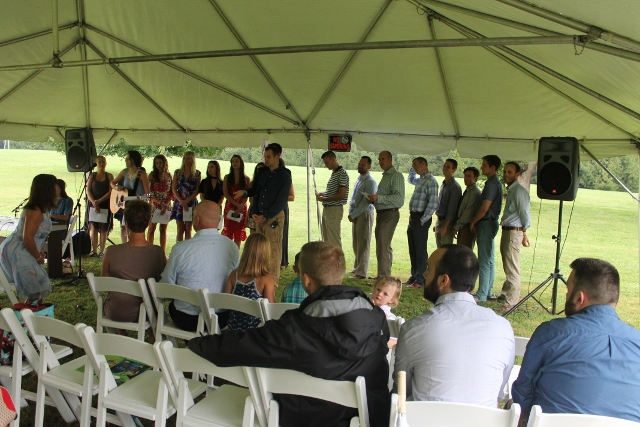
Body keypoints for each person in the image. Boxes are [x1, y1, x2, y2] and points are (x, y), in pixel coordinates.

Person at [188, 241, 391, 427]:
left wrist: (195, 343)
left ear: (306, 279)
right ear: (340, 274)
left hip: (304, 417)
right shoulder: (377, 320)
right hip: (365, 415)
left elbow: (241, 345)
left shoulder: (293, 329)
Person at [512, 258, 640, 423]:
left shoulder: (551, 333)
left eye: (568, 289)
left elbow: (523, 394)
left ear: (580, 298)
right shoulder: (636, 341)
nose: (566, 295)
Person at [393, 244, 515, 407]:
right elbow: (497, 392)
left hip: (425, 418)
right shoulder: (503, 328)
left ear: (443, 280)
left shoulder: (413, 329)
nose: (424, 274)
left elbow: (401, 391)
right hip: (483, 418)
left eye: (429, 268)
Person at [161, 201, 239, 332]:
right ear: (219, 220)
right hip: (221, 317)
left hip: (188, 318)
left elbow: (166, 286)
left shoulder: (181, 248)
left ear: (197, 219)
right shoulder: (231, 246)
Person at [101, 200, 166, 324]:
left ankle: (121, 332)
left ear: (126, 224)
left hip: (115, 310)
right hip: (147, 311)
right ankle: (151, 333)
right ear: (148, 223)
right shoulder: (158, 252)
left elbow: (105, 280)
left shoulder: (111, 251)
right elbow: (161, 281)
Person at [238, 143, 291, 284]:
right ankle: (258, 278)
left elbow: (281, 201)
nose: (266, 159)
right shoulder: (263, 174)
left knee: (273, 249)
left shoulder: (284, 175)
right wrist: (255, 212)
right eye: (265, 156)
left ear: (277, 156)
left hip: (274, 217)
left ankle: (272, 282)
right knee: (259, 248)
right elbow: (257, 193)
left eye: (269, 157)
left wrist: (266, 216)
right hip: (259, 216)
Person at [0, 174, 58, 303]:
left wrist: (39, 251)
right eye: (56, 185)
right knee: (37, 285)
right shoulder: (36, 211)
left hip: (25, 250)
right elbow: (27, 238)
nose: (58, 188)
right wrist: (38, 257)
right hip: (19, 251)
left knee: (37, 289)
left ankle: (31, 312)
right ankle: (28, 313)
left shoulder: (42, 209)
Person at [497, 162, 531, 310]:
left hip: (513, 232)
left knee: (512, 268)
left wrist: (523, 232)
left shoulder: (519, 191)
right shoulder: (512, 190)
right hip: (508, 230)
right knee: (507, 264)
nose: (506, 175)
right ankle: (505, 294)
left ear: (517, 175)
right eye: (505, 171)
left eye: (510, 172)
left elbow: (525, 215)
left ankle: (511, 302)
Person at [225, 233, 276, 331]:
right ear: (266, 254)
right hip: (256, 332)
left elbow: (226, 301)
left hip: (233, 330)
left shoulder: (234, 275)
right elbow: (271, 308)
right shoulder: (266, 278)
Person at [469, 155, 503, 302]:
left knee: (483, 260)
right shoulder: (495, 182)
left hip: (486, 223)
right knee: (489, 259)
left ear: (493, 167)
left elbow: (484, 208)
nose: (481, 167)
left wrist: (473, 221)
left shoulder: (491, 184)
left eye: (484, 165)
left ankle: (482, 294)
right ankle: (487, 291)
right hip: (492, 222)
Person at [368, 151, 405, 279]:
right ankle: (382, 275)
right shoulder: (386, 176)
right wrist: (374, 200)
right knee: (381, 245)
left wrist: (379, 198)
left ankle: (383, 277)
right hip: (382, 213)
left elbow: (399, 199)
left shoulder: (396, 175)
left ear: (390, 159)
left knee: (383, 246)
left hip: (390, 213)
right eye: (379, 159)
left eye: (383, 159)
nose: (381, 162)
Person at [404, 157, 439, 289]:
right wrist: (412, 170)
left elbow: (433, 203)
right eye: (412, 164)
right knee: (412, 248)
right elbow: (410, 179)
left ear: (424, 164)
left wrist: (423, 219)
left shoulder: (431, 181)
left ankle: (420, 279)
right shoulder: (420, 180)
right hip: (413, 217)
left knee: (420, 249)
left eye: (415, 164)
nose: (413, 167)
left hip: (421, 218)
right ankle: (414, 275)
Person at [111, 150, 151, 243]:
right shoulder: (124, 172)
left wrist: (142, 199)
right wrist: (116, 187)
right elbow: (112, 182)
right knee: (123, 226)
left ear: (133, 160)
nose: (126, 160)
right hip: (125, 204)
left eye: (128, 158)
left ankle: (134, 244)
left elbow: (148, 194)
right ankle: (124, 245)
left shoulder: (141, 174)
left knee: (135, 227)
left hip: (137, 205)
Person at [348, 156, 377, 280]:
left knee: (363, 243)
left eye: (363, 165)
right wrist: (351, 212)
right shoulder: (360, 179)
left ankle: (361, 272)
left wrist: (353, 214)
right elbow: (354, 197)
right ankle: (357, 267)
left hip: (364, 214)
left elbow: (366, 202)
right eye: (360, 164)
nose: (360, 166)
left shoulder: (370, 182)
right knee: (356, 242)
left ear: (369, 167)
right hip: (356, 213)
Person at [316, 150, 349, 249]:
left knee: (334, 240)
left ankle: (338, 259)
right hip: (328, 209)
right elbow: (333, 191)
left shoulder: (342, 174)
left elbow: (341, 195)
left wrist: (325, 198)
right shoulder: (335, 173)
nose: (326, 165)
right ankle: (329, 258)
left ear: (333, 159)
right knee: (326, 239)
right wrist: (324, 193)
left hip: (334, 209)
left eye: (327, 162)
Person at [86, 155, 114, 257]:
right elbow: (88, 190)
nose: (101, 164)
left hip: (105, 204)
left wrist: (99, 201)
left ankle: (102, 251)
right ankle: (94, 251)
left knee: (103, 228)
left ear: (106, 163)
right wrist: (94, 202)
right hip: (93, 204)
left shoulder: (109, 176)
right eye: (99, 162)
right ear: (96, 164)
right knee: (93, 228)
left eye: (103, 162)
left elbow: (111, 191)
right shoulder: (92, 175)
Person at [170, 151, 201, 242]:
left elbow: (197, 190)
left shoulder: (197, 173)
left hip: (190, 203)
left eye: (188, 159)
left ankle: (187, 248)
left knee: (188, 229)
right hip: (179, 203)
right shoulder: (178, 172)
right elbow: (174, 189)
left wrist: (186, 201)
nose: (186, 161)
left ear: (192, 160)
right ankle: (179, 247)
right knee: (180, 228)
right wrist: (181, 201)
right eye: (184, 158)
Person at [222, 154, 250, 248]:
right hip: (230, 206)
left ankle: (236, 253)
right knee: (228, 231)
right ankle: (228, 253)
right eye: (233, 161)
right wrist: (236, 204)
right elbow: (226, 194)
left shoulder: (246, 179)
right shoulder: (227, 177)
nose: (234, 163)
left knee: (238, 232)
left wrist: (240, 205)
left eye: (237, 161)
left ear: (241, 163)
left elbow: (247, 194)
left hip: (241, 207)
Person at [147, 154, 173, 253]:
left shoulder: (169, 175)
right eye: (156, 163)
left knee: (163, 229)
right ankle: (149, 251)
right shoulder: (152, 175)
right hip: (155, 204)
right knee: (151, 229)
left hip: (166, 205)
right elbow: (149, 193)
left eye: (160, 163)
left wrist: (165, 204)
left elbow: (171, 192)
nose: (158, 165)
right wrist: (160, 203)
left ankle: (162, 251)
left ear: (165, 163)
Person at [433, 159, 462, 248]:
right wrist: (437, 223)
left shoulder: (455, 187)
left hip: (447, 223)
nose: (445, 168)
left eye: (448, 167)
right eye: (444, 166)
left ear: (454, 170)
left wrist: (445, 227)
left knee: (446, 250)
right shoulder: (444, 184)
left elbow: (452, 210)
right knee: (439, 249)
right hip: (440, 220)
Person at [453, 167, 481, 250]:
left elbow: (468, 213)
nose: (466, 178)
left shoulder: (475, 193)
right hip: (463, 226)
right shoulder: (468, 191)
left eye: (469, 176)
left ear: (475, 178)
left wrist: (456, 227)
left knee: (464, 252)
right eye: (465, 176)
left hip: (467, 226)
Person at [281, 161, 295, 269]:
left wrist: (278, 198)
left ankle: (283, 261)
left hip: (282, 208)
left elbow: (292, 197)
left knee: (283, 234)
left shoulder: (287, 180)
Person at [246, 162, 265, 235]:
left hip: (263, 211)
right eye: (258, 169)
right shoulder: (252, 183)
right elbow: (251, 200)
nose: (259, 172)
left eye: (262, 169)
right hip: (253, 209)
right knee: (253, 233)